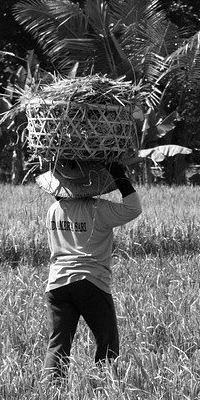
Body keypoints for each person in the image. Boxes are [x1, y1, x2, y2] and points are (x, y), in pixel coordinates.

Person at [36, 161, 142, 379]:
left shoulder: (53, 210)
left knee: (58, 343)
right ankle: (106, 385)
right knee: (107, 339)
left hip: (57, 283)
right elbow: (134, 208)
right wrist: (119, 177)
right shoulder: (98, 209)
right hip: (90, 281)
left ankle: (51, 391)